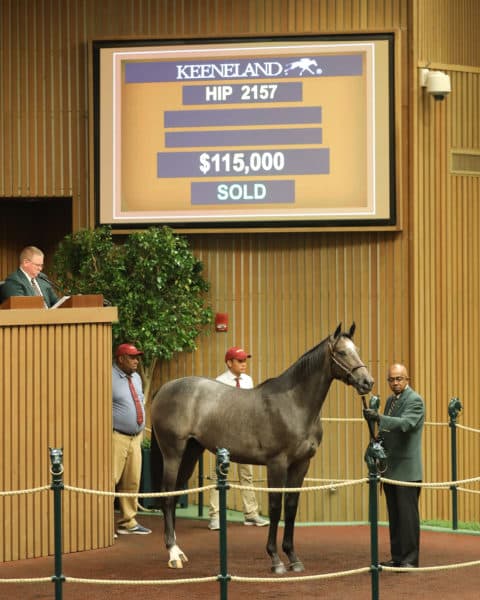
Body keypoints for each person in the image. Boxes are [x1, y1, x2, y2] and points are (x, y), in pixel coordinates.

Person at [364, 363, 425, 568]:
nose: (395, 383)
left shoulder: (415, 400)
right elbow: (387, 430)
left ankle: (410, 560)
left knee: (408, 518)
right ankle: (397, 557)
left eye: (399, 379)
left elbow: (405, 424)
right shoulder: (390, 400)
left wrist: (379, 418)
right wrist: (376, 439)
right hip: (390, 469)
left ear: (407, 379)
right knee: (395, 516)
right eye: (391, 379)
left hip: (407, 471)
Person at [208, 346, 269, 531]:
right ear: (229, 363)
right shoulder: (219, 382)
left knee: (247, 475)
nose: (244, 364)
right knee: (219, 474)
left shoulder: (248, 380)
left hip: (246, 435)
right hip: (224, 434)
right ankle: (215, 516)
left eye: (245, 361)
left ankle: (251, 514)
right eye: (240, 361)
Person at [112, 343, 151, 535]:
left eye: (137, 357)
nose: (137, 361)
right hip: (116, 436)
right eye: (132, 357)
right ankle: (101, 524)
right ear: (120, 359)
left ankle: (128, 521)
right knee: (110, 480)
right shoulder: (108, 376)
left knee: (132, 480)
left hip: (136, 437)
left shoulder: (136, 377)